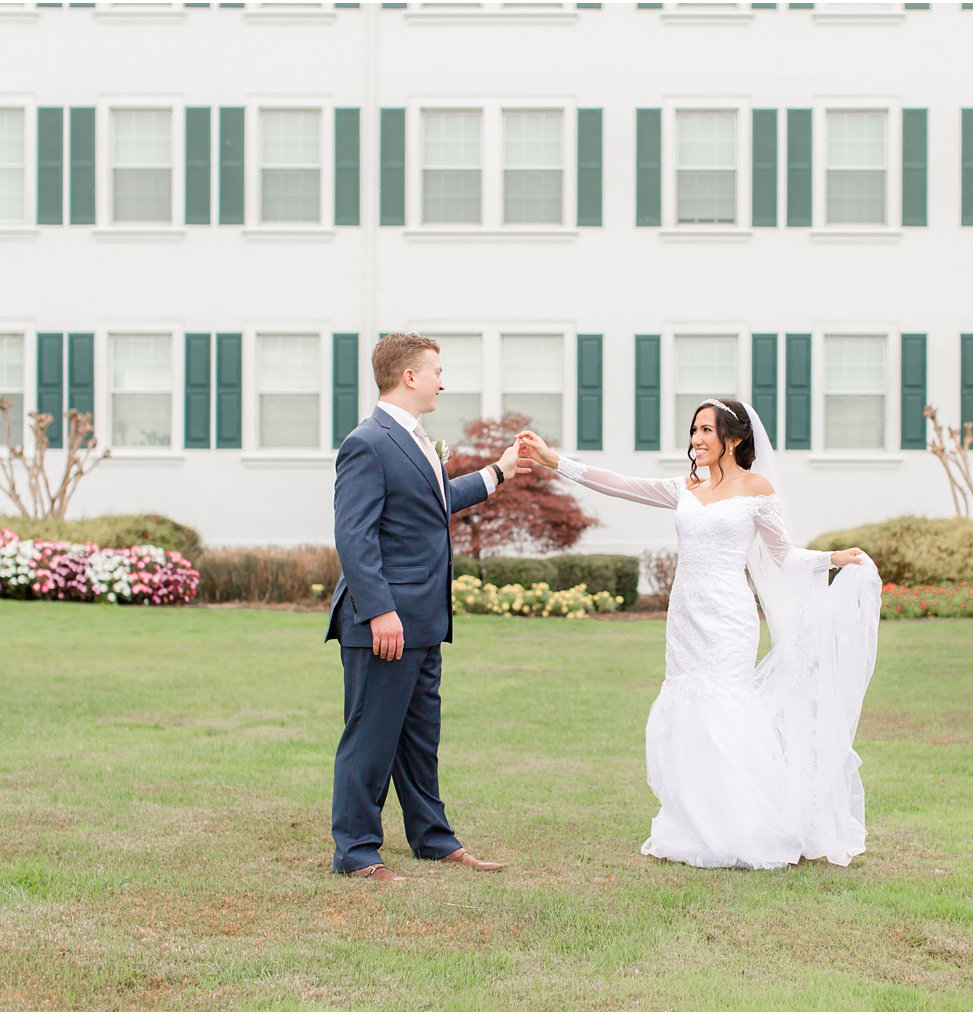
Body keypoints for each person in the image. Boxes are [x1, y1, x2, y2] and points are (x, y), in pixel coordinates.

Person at [517, 397, 882, 869]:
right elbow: (621, 485)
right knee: (688, 710)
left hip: (729, 617)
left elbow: (784, 556)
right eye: (693, 431)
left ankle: (747, 826)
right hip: (685, 617)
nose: (696, 440)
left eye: (706, 430)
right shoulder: (686, 487)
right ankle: (696, 824)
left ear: (733, 438)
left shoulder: (757, 490)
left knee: (725, 709)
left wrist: (833, 560)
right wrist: (554, 461)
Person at [326, 332, 528, 882]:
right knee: (369, 737)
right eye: (437, 370)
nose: (444, 380)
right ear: (409, 377)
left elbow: (437, 500)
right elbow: (354, 536)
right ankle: (358, 851)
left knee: (419, 739)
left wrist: (500, 470)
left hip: (424, 620)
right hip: (384, 623)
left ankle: (433, 839)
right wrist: (379, 612)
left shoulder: (414, 440)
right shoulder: (367, 442)